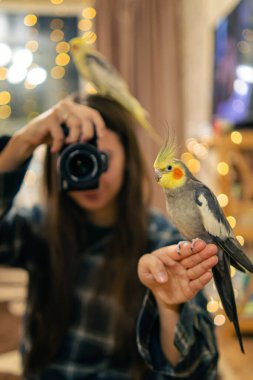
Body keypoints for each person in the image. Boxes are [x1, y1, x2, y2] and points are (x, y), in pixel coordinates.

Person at [0, 94, 219, 380]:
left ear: (128, 160)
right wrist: (23, 142)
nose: (92, 172)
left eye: (102, 158)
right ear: (59, 165)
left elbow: (200, 371)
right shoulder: (40, 227)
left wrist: (168, 306)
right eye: (78, 159)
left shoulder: (162, 241)